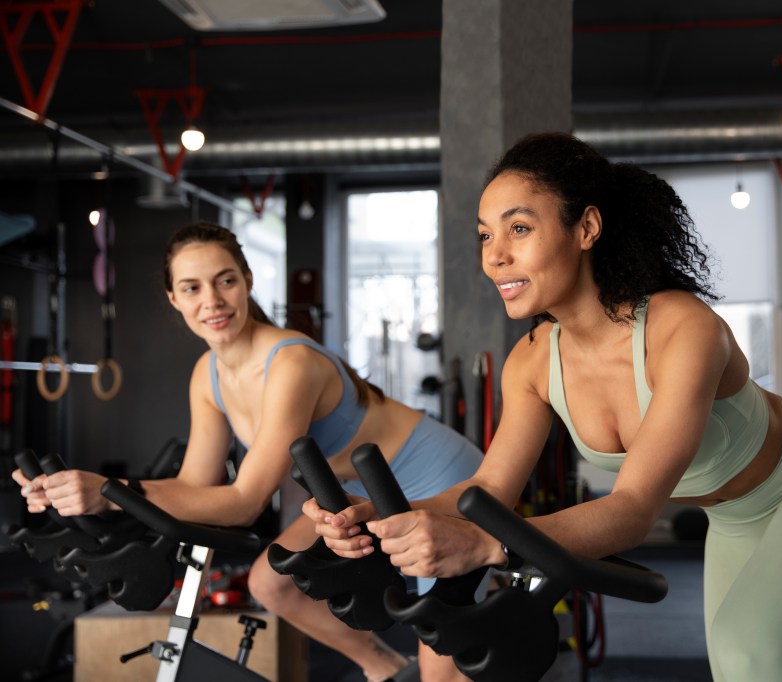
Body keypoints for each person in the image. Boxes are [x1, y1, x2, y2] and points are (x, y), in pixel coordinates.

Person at [305, 133, 782, 682]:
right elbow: (489, 490)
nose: (495, 256)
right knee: (735, 667)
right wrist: (373, 516)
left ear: (586, 227)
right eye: (485, 234)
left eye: (518, 229)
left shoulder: (681, 329)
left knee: (751, 650)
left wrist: (490, 546)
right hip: (738, 515)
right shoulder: (532, 363)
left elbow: (635, 508)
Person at [13, 221, 482, 682]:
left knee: (439, 664)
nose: (212, 302)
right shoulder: (208, 374)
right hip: (361, 490)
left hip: (440, 479)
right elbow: (195, 486)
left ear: (247, 281)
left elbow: (244, 502)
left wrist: (112, 493)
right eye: (192, 288)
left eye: (225, 282)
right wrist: (72, 492)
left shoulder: (291, 363)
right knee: (270, 582)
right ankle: (384, 667)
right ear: (175, 299)